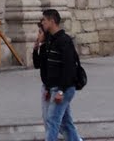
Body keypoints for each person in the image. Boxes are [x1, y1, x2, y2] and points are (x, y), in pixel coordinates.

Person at [32, 9, 83, 141]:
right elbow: (38, 65)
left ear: (52, 21)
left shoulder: (64, 41)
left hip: (64, 88)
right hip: (52, 88)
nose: (42, 23)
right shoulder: (48, 42)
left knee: (52, 121)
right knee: (66, 123)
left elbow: (69, 69)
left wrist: (61, 91)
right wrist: (37, 45)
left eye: (44, 20)